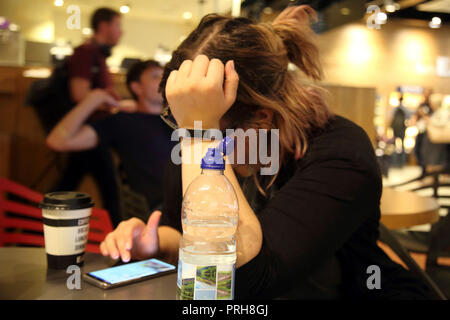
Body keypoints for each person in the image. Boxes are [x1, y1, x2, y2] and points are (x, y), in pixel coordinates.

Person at [99, 6, 434, 299]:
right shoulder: (192, 133)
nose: (181, 134)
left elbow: (241, 282)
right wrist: (157, 243)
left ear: (262, 117)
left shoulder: (339, 151)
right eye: (179, 116)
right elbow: (184, 230)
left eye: (201, 121)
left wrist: (200, 135)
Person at [47, 60, 175, 226]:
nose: (164, 80)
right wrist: (94, 99)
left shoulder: (178, 117)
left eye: (165, 75)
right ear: (136, 87)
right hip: (158, 211)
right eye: (156, 76)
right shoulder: (122, 122)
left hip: (189, 200)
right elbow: (58, 141)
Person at [51, 8, 123, 226]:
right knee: (110, 189)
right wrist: (107, 101)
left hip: (92, 130)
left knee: (68, 182)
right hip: (89, 130)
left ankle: (30, 226)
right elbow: (79, 93)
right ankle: (120, 242)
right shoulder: (86, 52)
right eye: (118, 26)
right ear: (104, 26)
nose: (121, 32)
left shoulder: (96, 54)